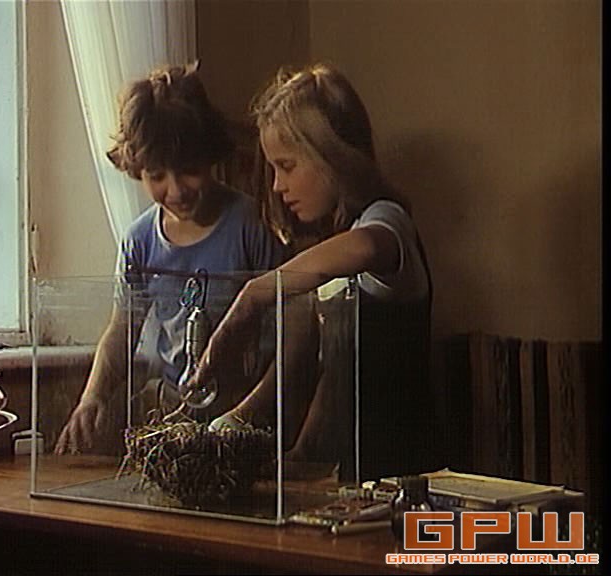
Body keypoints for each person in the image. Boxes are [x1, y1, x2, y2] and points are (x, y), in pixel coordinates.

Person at [192, 63, 436, 481]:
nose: (276, 186)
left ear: (332, 157)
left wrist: (254, 295)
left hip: (400, 475)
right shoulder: (338, 246)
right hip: (351, 478)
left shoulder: (386, 219)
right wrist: (293, 451)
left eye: (286, 166)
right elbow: (334, 377)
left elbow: (366, 246)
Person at [54, 62, 287, 455]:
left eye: (189, 171)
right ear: (137, 170)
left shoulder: (251, 224)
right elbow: (122, 328)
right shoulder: (139, 241)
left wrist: (248, 414)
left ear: (210, 157)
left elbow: (290, 334)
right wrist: (92, 397)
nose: (176, 191)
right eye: (157, 176)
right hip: (175, 419)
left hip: (248, 420)